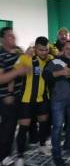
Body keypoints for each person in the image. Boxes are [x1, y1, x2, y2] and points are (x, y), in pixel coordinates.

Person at [14, 37, 53, 166]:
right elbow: (15, 71)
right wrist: (24, 57)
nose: (44, 52)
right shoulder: (27, 58)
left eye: (46, 49)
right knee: (24, 128)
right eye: (41, 50)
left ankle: (42, 146)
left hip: (43, 99)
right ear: (35, 48)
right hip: (26, 100)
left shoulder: (50, 60)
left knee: (43, 124)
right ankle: (20, 156)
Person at [43, 40, 70, 166]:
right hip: (57, 100)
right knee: (57, 127)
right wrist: (61, 72)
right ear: (63, 49)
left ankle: (68, 143)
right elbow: (45, 75)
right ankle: (56, 154)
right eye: (67, 48)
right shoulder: (55, 61)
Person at [0, 27, 29, 166]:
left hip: (21, 96)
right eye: (10, 36)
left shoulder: (18, 52)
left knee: (23, 125)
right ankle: (3, 156)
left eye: (14, 36)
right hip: (6, 98)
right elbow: (1, 79)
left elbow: (23, 71)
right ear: (2, 39)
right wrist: (18, 72)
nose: (13, 38)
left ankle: (20, 154)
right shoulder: (0, 55)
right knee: (8, 128)